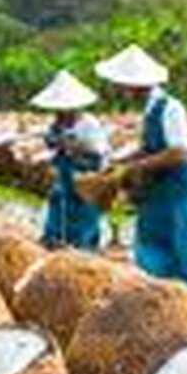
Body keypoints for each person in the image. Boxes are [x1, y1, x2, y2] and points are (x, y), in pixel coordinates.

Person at [95, 45, 187, 288]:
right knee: (152, 255)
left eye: (124, 85)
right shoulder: (151, 110)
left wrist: (136, 167)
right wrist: (121, 164)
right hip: (156, 195)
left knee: (179, 256)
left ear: (137, 85)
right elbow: (151, 148)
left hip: (175, 194)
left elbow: (178, 152)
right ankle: (157, 309)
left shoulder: (171, 108)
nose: (122, 90)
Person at [29, 70, 110, 251]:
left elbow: (97, 152)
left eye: (63, 110)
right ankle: (53, 241)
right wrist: (55, 141)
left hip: (87, 179)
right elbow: (49, 141)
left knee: (84, 218)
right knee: (58, 208)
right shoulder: (57, 124)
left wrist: (74, 145)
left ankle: (84, 250)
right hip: (65, 178)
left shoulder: (89, 124)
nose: (59, 113)